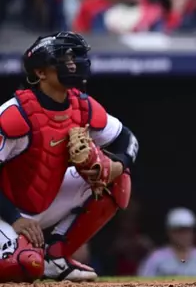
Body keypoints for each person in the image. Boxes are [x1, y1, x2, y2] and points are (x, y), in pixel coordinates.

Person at [0, 32, 137, 282]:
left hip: (44, 201)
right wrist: (14, 219)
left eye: (73, 58)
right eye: (62, 59)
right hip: (6, 211)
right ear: (41, 72)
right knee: (26, 265)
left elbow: (127, 138)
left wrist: (116, 166)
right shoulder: (15, 113)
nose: (72, 64)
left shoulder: (82, 106)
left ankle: (57, 258)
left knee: (118, 180)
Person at [137, 207, 196, 277]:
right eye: (179, 230)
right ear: (169, 232)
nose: (183, 235)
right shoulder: (156, 259)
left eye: (187, 230)